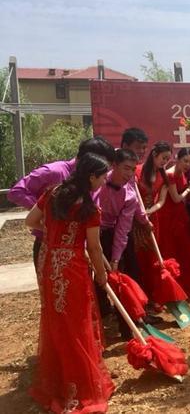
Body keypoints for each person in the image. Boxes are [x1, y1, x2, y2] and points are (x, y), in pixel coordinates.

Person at [25, 153, 115, 413]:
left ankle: (57, 382)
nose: (104, 181)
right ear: (91, 176)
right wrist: (101, 274)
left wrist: (53, 233)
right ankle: (79, 384)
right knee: (76, 322)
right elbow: (94, 247)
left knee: (57, 320)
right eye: (103, 177)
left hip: (48, 261)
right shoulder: (89, 208)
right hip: (71, 267)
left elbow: (30, 221)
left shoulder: (52, 193)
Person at [8, 136, 115, 271]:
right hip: (48, 246)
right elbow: (17, 191)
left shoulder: (97, 180)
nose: (106, 176)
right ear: (88, 160)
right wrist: (47, 214)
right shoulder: (54, 172)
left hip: (80, 250)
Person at [97, 148, 152, 338]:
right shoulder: (98, 182)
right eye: (126, 168)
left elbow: (123, 229)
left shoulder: (130, 195)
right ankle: (102, 318)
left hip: (113, 233)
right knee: (98, 280)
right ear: (114, 166)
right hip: (93, 232)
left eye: (132, 169)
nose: (129, 173)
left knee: (123, 278)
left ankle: (128, 326)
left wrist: (115, 258)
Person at [158, 148, 190, 297]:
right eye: (185, 161)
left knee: (186, 249)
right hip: (169, 217)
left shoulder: (182, 173)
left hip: (181, 215)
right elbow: (176, 198)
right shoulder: (170, 174)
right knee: (172, 249)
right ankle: (175, 286)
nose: (188, 165)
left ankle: (187, 283)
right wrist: (188, 190)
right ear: (177, 159)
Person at [133, 141, 170, 296]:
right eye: (163, 158)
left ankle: (153, 292)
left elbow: (161, 201)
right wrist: (140, 213)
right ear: (154, 154)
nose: (165, 162)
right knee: (138, 255)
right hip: (135, 218)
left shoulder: (163, 176)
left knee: (153, 254)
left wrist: (149, 211)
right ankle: (140, 293)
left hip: (152, 218)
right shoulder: (137, 171)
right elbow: (132, 194)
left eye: (167, 159)